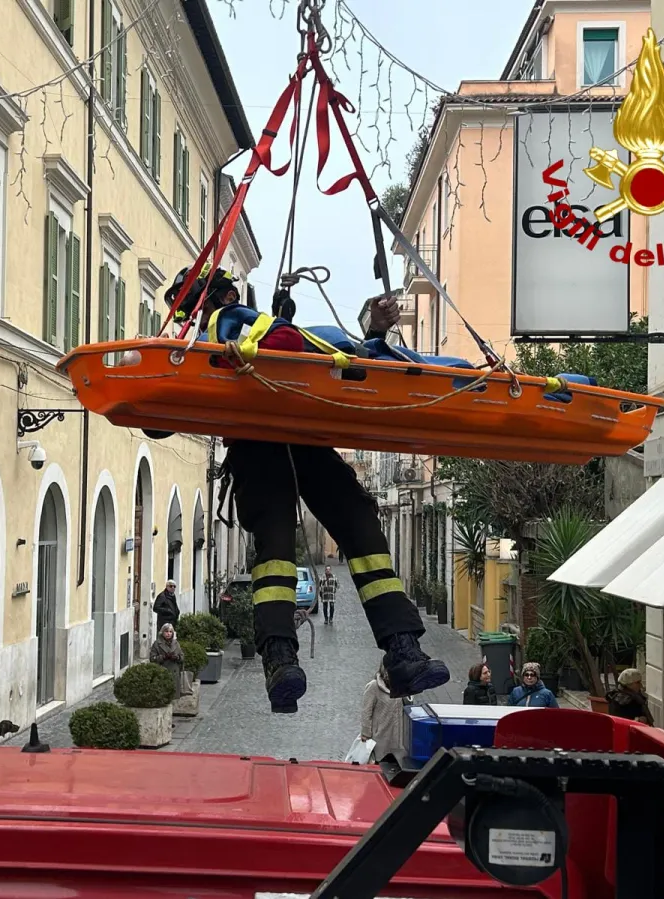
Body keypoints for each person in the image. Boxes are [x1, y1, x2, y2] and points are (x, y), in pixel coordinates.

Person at [159, 266, 449, 714]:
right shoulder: (204, 339)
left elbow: (321, 351)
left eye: (194, 306)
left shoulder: (239, 324)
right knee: (297, 540)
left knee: (343, 525)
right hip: (267, 442)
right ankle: (289, 657)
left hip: (298, 436)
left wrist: (373, 333)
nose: (192, 316)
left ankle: (396, 648)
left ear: (225, 297)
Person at [360, 663, 406, 762]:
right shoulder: (373, 686)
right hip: (379, 740)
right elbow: (366, 712)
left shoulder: (402, 687)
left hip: (397, 741)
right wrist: (366, 734)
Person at [149, 622, 189, 699]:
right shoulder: (157, 644)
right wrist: (163, 657)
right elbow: (152, 658)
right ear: (162, 632)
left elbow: (182, 656)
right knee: (164, 695)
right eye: (166, 631)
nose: (168, 634)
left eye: (170, 632)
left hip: (174, 673)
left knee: (174, 696)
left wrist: (176, 657)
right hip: (162, 672)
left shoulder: (176, 643)